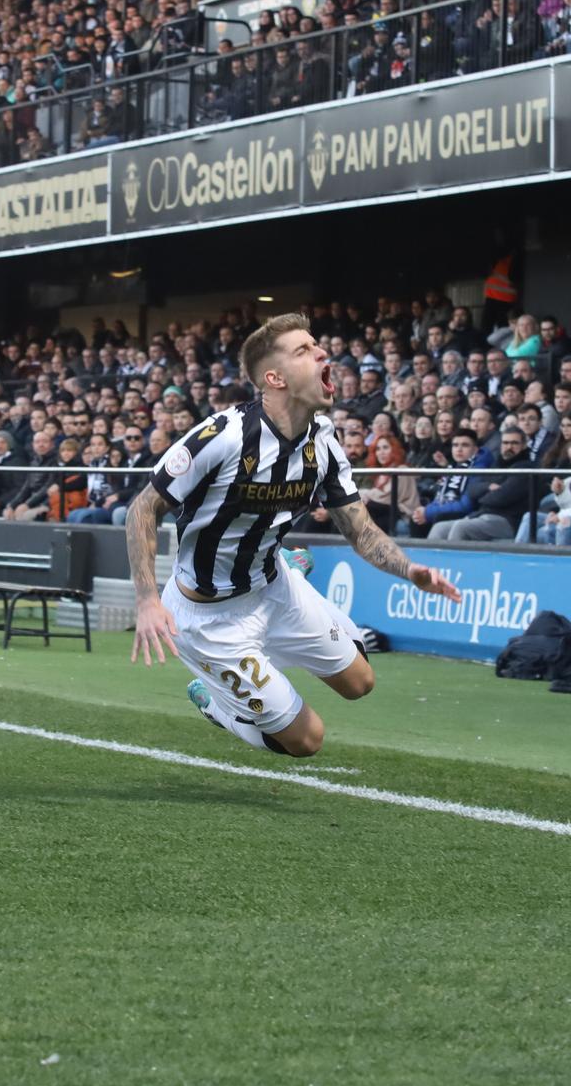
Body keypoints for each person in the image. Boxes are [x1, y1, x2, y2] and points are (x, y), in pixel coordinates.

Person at [126, 313, 461, 759]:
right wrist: (148, 600)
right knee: (307, 741)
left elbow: (360, 531)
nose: (322, 353)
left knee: (360, 683)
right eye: (304, 350)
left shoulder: (323, 442)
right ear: (274, 377)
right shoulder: (224, 436)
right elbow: (142, 508)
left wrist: (410, 570)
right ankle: (218, 705)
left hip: (273, 585)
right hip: (210, 619)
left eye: (317, 345)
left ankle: (290, 573)